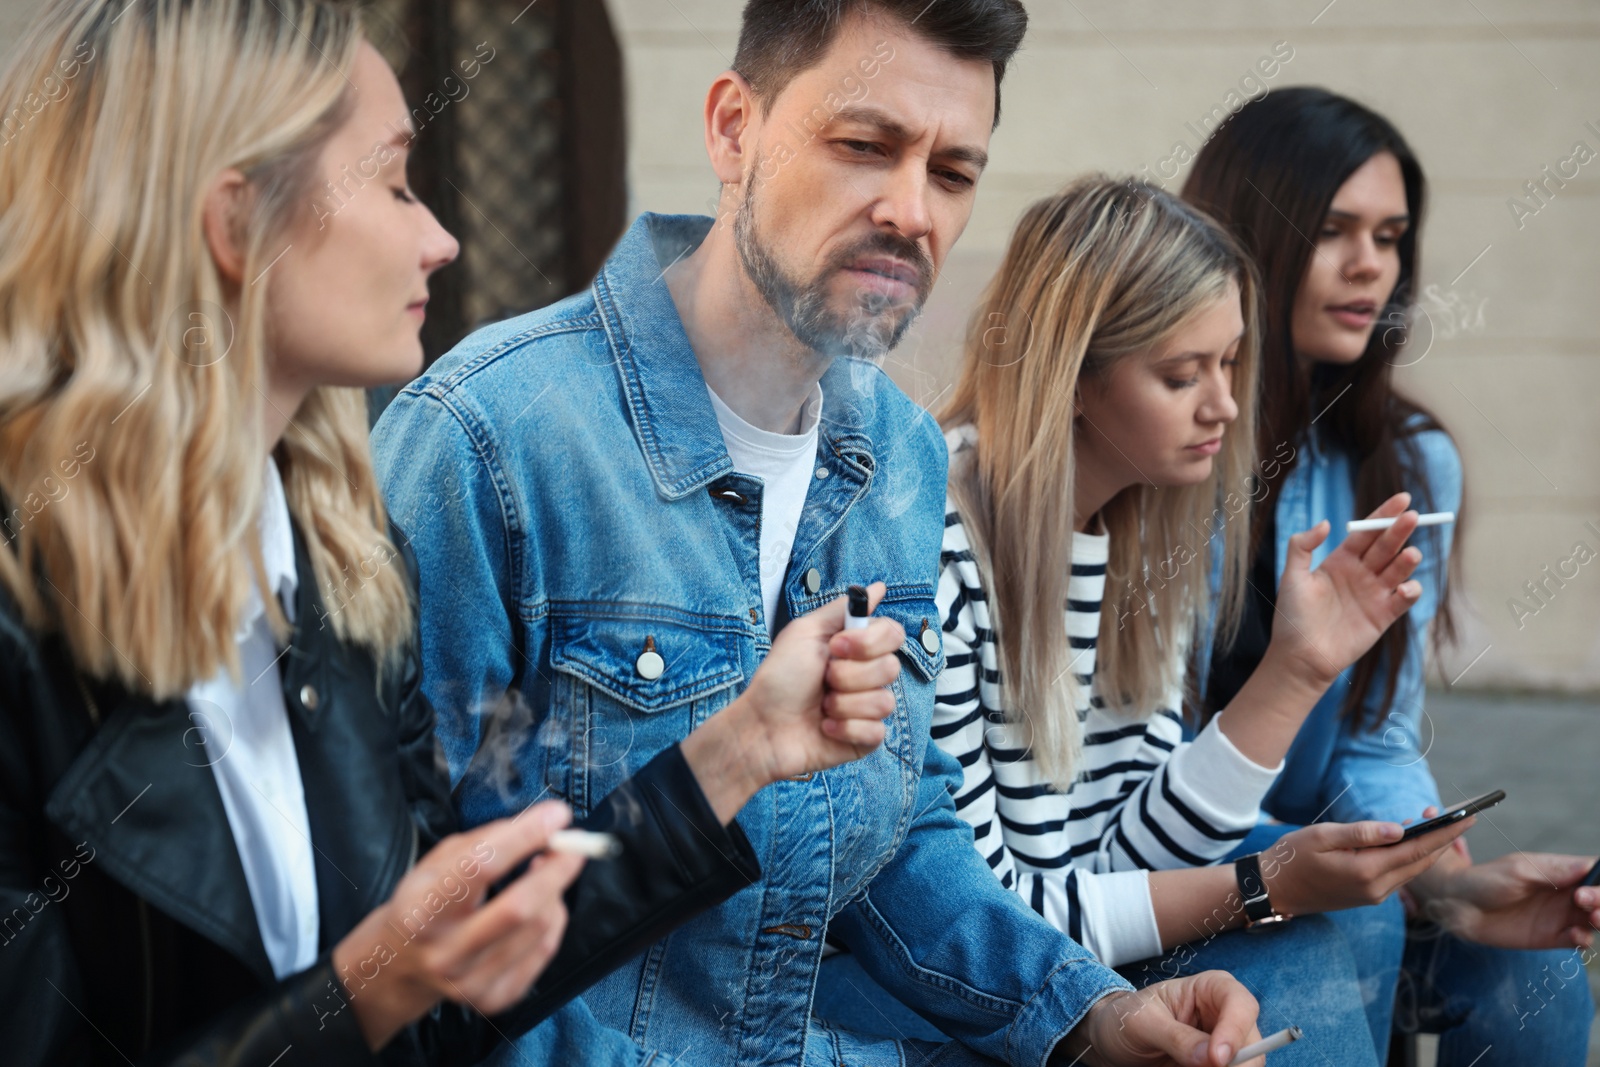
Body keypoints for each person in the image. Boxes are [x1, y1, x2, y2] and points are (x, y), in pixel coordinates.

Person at [0, 1, 912, 1062]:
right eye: (392, 183)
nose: (442, 237)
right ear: (237, 222)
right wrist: (367, 986)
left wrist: (747, 743)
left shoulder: (333, 562)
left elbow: (453, 963)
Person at [373, 2, 1267, 1066]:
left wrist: (1087, 1012)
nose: (909, 210)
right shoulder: (486, 442)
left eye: (952, 171)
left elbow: (897, 832)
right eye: (864, 146)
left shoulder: (898, 454)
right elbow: (414, 939)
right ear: (731, 127)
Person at [809, 175, 1475, 1066]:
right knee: (1300, 932)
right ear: (1073, 378)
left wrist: (1298, 671)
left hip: (1045, 939)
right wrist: (1259, 886)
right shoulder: (930, 544)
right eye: (1180, 373)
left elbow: (1121, 852)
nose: (1225, 406)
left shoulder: (1136, 530)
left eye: (1231, 361)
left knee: (1343, 922)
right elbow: (988, 919)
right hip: (906, 977)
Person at [1184, 86, 1600, 1064]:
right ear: (1246, 235)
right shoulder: (1156, 455)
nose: (1370, 264)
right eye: (1332, 230)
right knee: (1351, 930)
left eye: (1391, 234)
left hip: (1332, 867)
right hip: (1173, 877)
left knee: (1526, 973)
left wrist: (1429, 858)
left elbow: (1374, 731)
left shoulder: (1407, 461)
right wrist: (1325, 871)